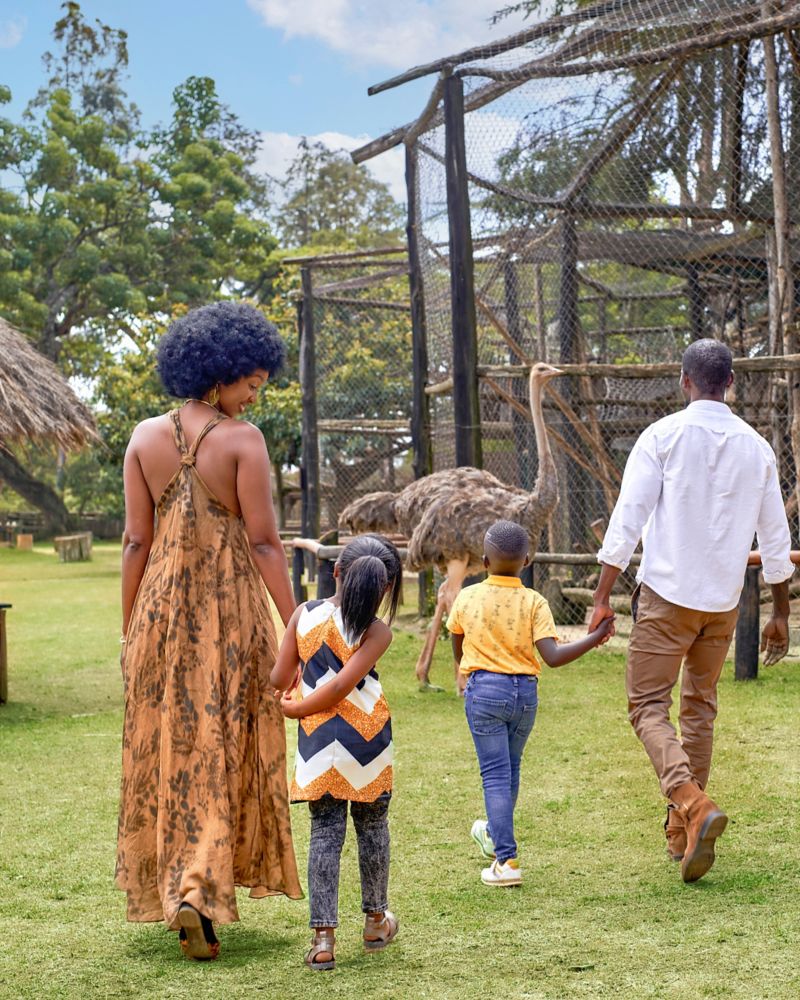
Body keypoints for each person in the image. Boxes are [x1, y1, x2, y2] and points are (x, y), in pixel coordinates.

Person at [116, 301, 303, 960]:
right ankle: (198, 891)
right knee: (223, 745)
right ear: (220, 373)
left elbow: (135, 541)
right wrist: (297, 621)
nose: (254, 396)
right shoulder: (243, 441)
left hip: (160, 616)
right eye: (251, 383)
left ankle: (185, 888)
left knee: (174, 751)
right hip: (230, 616)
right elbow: (265, 544)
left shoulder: (143, 437)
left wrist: (129, 631)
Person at [589, 338, 793, 884]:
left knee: (647, 707)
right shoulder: (757, 448)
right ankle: (681, 834)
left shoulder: (662, 436)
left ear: (684, 381)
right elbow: (776, 539)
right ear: (731, 385)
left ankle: (691, 802)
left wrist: (603, 595)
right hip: (723, 604)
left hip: (667, 598)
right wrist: (779, 613)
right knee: (699, 708)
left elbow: (628, 519)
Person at [446, 519, 615, 887]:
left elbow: (457, 643)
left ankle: (506, 861)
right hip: (525, 696)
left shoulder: (467, 597)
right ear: (527, 560)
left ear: (484, 562)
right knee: (510, 768)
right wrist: (596, 637)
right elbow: (552, 656)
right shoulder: (534, 602)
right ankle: (493, 833)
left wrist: (468, 670)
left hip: (484, 692)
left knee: (495, 774)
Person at [271, 534, 403, 971]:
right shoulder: (376, 631)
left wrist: (295, 703)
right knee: (373, 828)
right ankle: (376, 922)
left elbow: (280, 677)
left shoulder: (303, 614)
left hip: (318, 740)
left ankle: (323, 939)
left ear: (336, 572)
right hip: (367, 742)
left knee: (325, 834)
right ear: (385, 586)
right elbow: (346, 684)